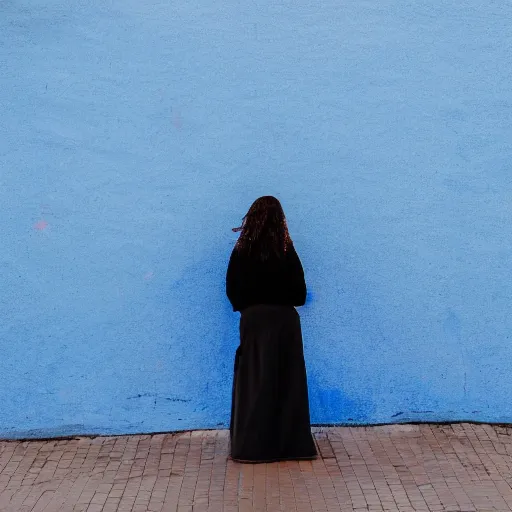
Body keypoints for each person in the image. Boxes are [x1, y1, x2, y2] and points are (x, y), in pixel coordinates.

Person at [226, 196, 317, 463]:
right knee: (288, 383)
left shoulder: (241, 252)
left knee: (255, 382)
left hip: (254, 323)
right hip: (285, 324)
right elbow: (299, 294)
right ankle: (293, 447)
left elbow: (233, 292)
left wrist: (252, 307)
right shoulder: (287, 251)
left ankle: (252, 449)